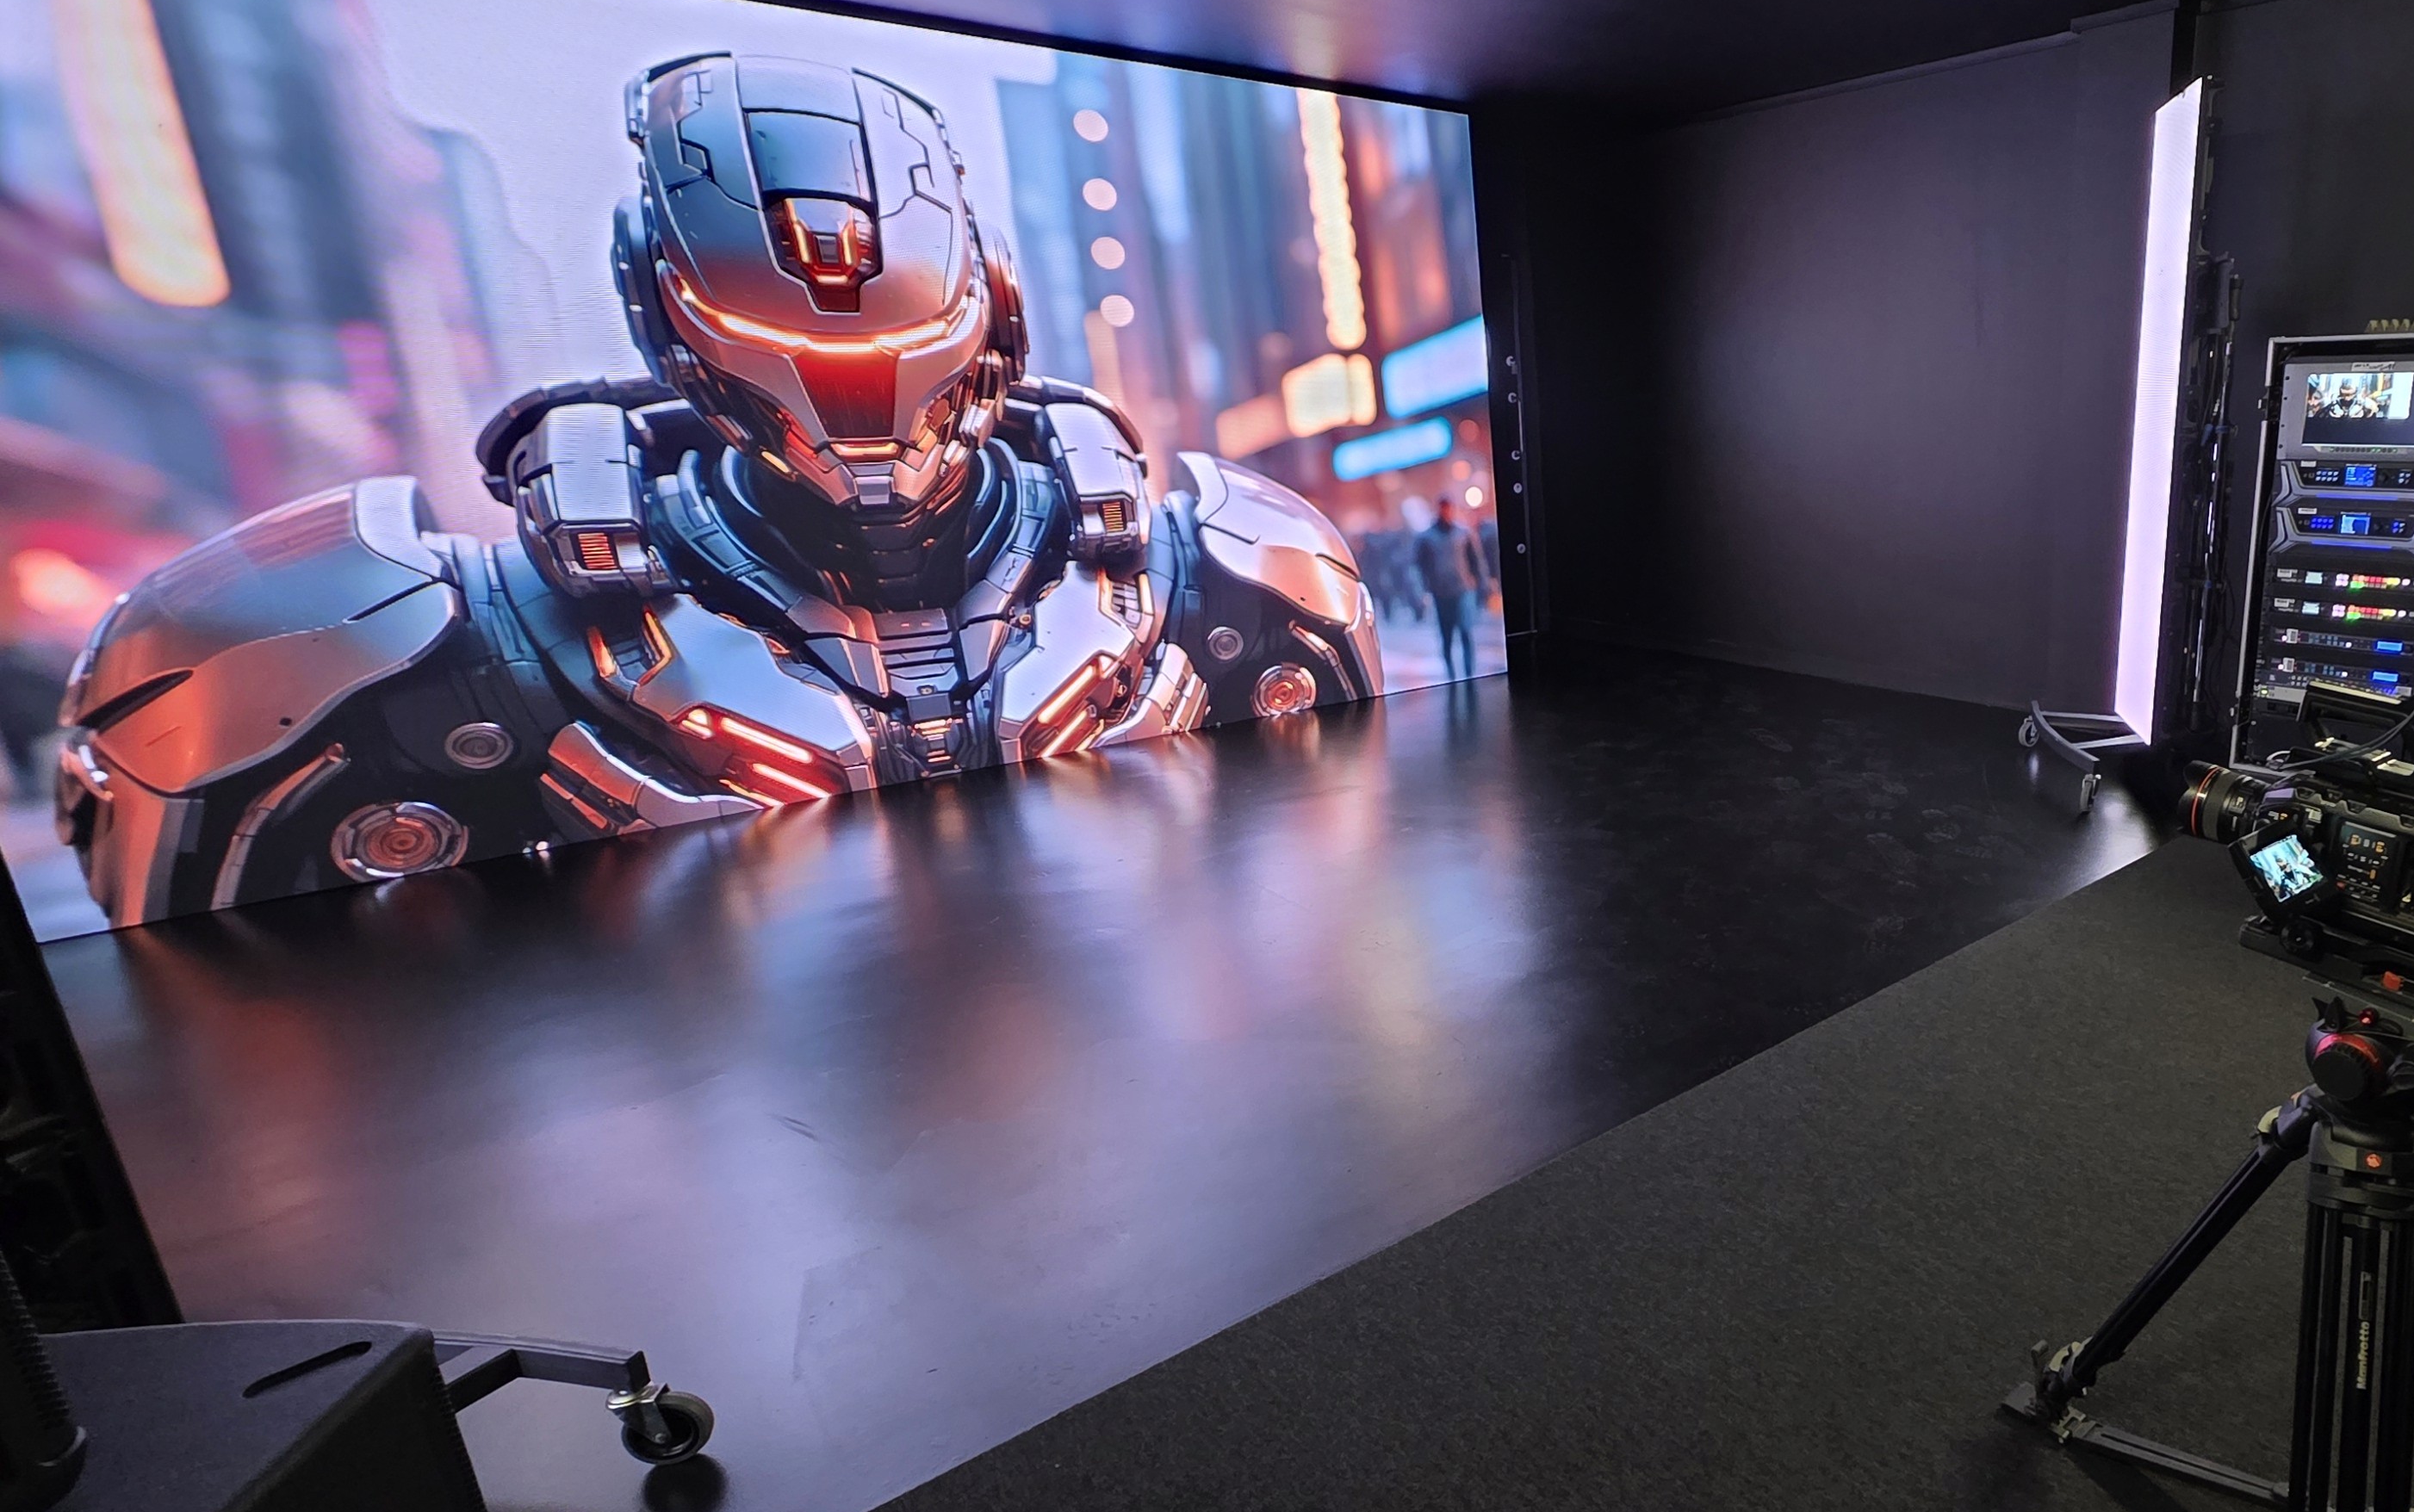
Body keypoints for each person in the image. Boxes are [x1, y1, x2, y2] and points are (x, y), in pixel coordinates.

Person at [52, 53, 1386, 926]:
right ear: (666, 314)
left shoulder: (1221, 565)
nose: (864, 414)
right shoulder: (395, 636)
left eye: (892, 349)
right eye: (805, 356)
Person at [1410, 493, 1486, 682]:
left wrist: (1482, 584)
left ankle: (1470, 674)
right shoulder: (1426, 537)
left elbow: (1476, 560)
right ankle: (1451, 674)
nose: (1447, 512)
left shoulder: (1464, 533)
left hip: (1463, 589)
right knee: (1446, 635)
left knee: (1466, 631)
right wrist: (1421, 591)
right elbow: (1417, 566)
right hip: (1440, 592)